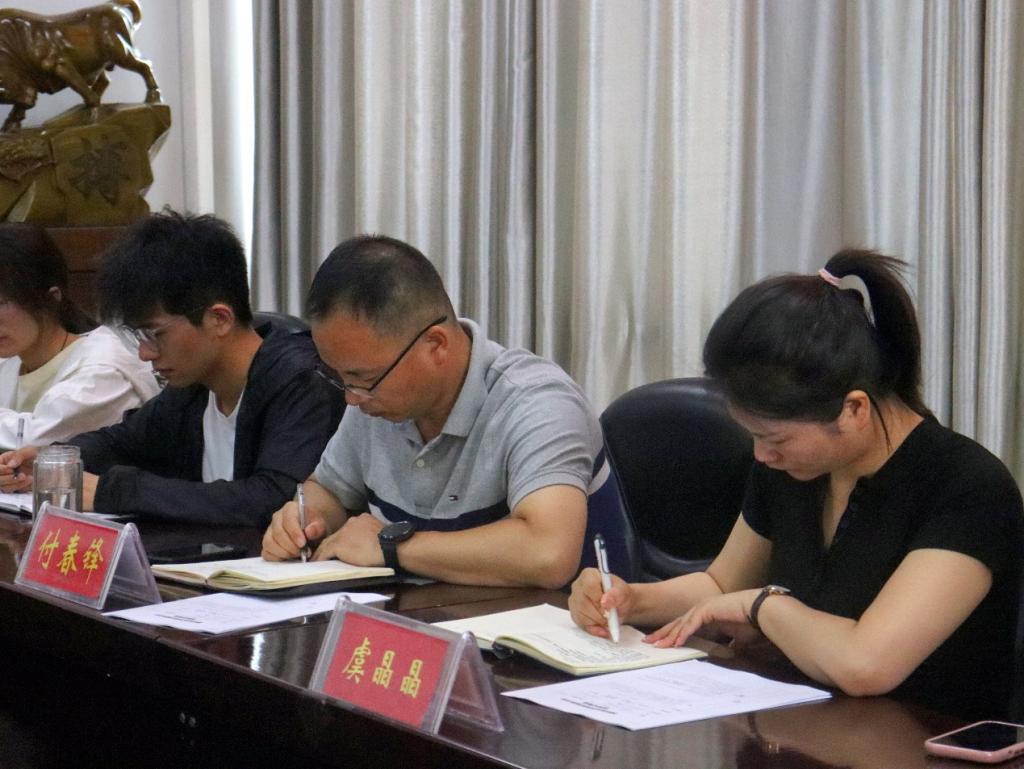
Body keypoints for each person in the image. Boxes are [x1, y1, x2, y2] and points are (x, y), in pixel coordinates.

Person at [569, 249, 1023, 720]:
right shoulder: (792, 468)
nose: (761, 455)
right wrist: (630, 600)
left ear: (854, 409)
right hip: (800, 726)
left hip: (912, 740)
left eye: (775, 439)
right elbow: (721, 584)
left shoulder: (968, 489)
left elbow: (866, 665)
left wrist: (764, 606)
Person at [261, 234, 608, 589]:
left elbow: (547, 553)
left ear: (436, 344)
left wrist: (393, 547)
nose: (351, 398)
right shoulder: (374, 400)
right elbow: (331, 489)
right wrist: (306, 519)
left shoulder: (537, 402)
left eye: (362, 378)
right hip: (420, 615)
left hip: (538, 620)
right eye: (340, 378)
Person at [0, 210, 344, 526]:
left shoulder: (302, 381)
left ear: (219, 318)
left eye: (155, 334)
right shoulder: (193, 388)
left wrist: (112, 491)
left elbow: (272, 498)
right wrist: (54, 459)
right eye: (137, 336)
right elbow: (122, 441)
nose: (145, 353)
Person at [0, 224, 159, 448]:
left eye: (1, 303)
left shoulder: (102, 370)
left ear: (52, 297)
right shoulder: (10, 360)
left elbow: (40, 440)